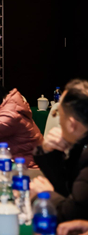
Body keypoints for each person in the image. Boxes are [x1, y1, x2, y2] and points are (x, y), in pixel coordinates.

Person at [30, 79, 88, 222]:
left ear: (72, 125)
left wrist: (44, 195)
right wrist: (49, 152)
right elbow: (66, 189)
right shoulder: (79, 145)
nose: (59, 123)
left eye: (59, 115)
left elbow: (73, 215)